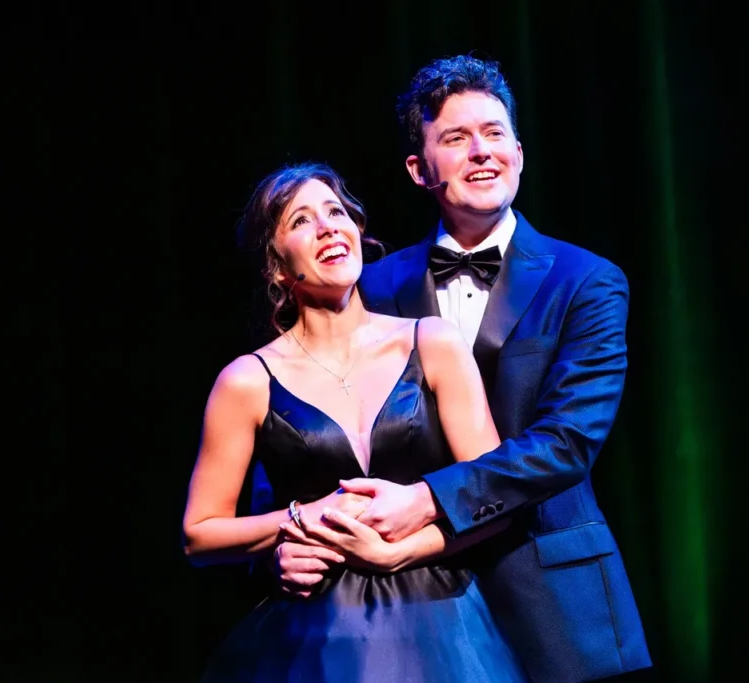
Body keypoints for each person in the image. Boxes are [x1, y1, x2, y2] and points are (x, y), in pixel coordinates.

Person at [272, 55, 653, 682]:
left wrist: (428, 499)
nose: (481, 152)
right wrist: (284, 543)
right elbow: (294, 427)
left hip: (552, 600)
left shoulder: (586, 280)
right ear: (419, 169)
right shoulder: (372, 284)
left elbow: (567, 442)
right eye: (456, 138)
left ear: (519, 154)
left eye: (494, 133)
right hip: (407, 610)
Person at [182, 161, 530, 682]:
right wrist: (302, 518)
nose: (327, 227)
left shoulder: (432, 343)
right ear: (277, 267)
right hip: (318, 639)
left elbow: (493, 500)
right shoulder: (247, 381)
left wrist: (399, 553)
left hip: (443, 628)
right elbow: (200, 534)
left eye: (336, 212)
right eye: (301, 221)